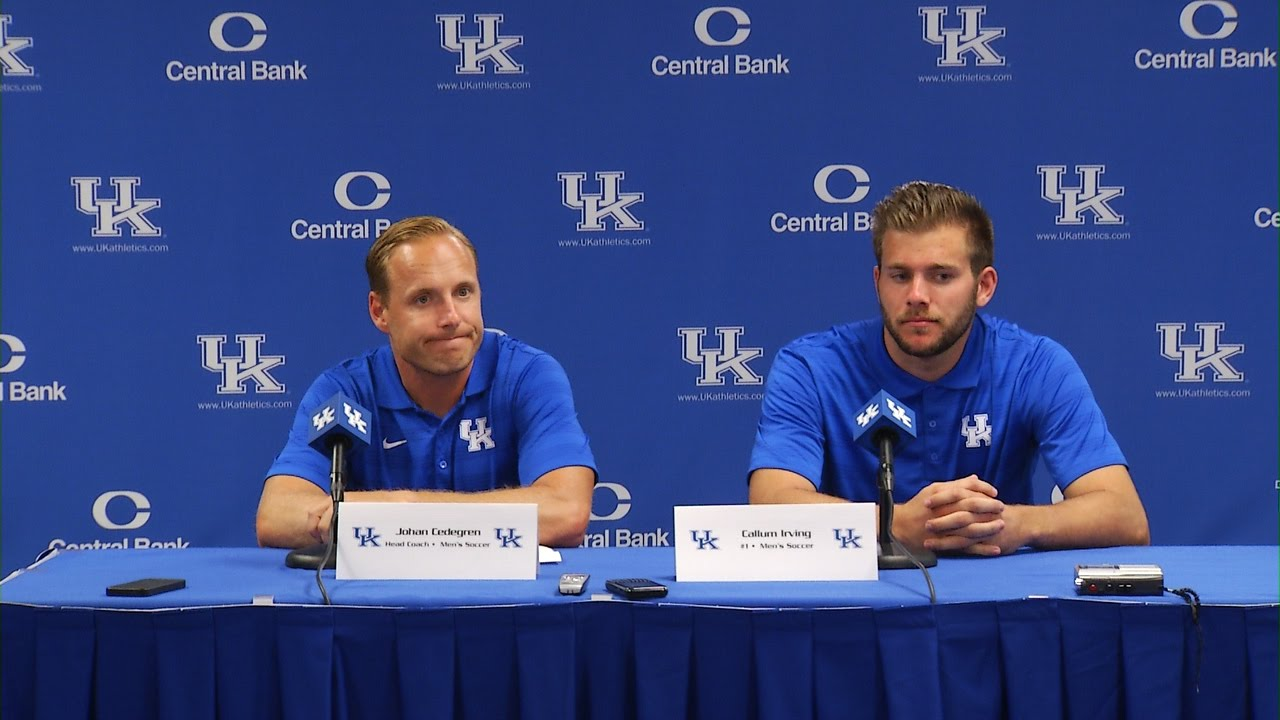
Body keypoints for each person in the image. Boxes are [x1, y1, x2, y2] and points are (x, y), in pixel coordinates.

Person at [748, 181, 1149, 556]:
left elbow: (1126, 516)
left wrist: (1016, 523)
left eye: (941, 276)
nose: (917, 296)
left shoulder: (1035, 365)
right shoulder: (811, 368)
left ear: (984, 286)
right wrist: (895, 522)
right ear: (877, 282)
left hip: (995, 605)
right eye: (900, 276)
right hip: (857, 608)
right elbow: (769, 503)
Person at [257, 216, 596, 549]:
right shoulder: (345, 393)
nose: (451, 317)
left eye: (463, 292)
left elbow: (565, 512)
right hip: (378, 603)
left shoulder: (527, 376)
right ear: (380, 311)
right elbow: (278, 516)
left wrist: (402, 509)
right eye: (423, 299)